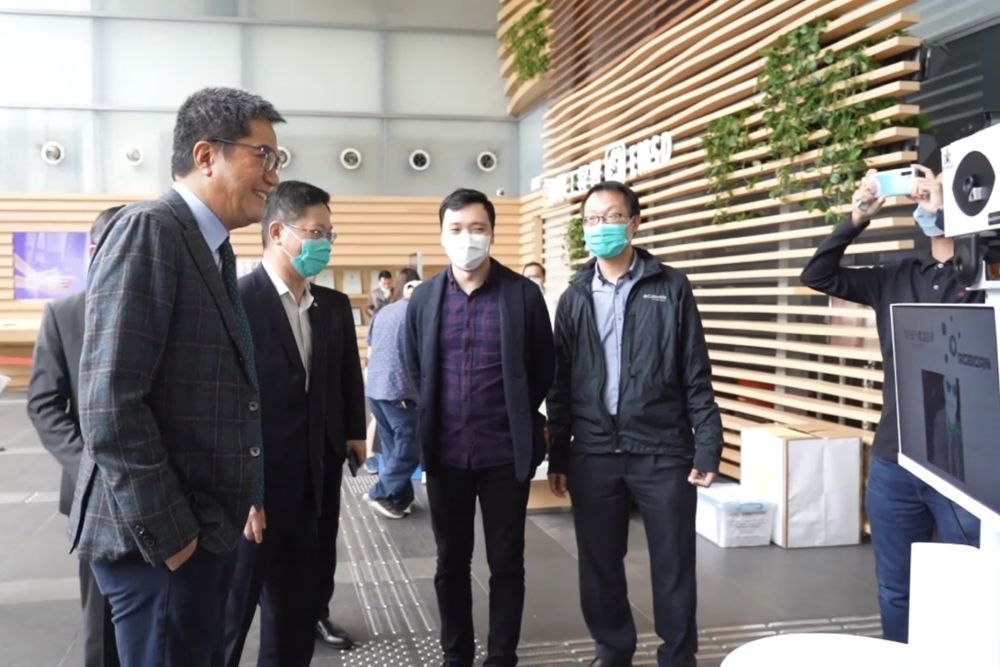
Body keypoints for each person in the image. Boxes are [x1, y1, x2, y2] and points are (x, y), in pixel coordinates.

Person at [71, 86, 284, 667]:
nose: (272, 176)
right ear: (206, 154)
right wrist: (175, 540)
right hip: (159, 547)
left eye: (277, 160)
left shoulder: (209, 248)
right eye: (261, 155)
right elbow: (110, 404)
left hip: (197, 533)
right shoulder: (151, 230)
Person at [800, 164, 981, 642]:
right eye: (927, 190)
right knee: (896, 590)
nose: (932, 199)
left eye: (943, 191)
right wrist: (858, 216)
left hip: (968, 469)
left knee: (977, 588)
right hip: (895, 460)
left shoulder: (987, 281)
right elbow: (817, 274)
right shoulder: (896, 276)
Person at [547, 180, 723, 667]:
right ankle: (613, 647)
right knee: (599, 566)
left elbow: (695, 370)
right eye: (591, 219)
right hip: (595, 451)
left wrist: (708, 444)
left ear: (635, 222)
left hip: (663, 449)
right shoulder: (574, 296)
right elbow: (559, 385)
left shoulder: (670, 286)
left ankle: (677, 655)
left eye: (611, 217)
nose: (600, 227)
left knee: (673, 565)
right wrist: (559, 454)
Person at [405, 188, 554, 666]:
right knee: (451, 562)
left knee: (507, 562)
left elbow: (542, 369)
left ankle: (501, 656)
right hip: (445, 454)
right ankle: (456, 654)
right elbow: (414, 367)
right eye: (456, 229)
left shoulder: (523, 295)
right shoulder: (425, 298)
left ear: (491, 232)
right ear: (442, 235)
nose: (467, 238)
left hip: (504, 454)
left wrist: (516, 417)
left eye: (477, 228)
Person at [223, 181, 366, 664]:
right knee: (232, 610)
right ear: (279, 231)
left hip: (315, 480)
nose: (325, 242)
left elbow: (347, 375)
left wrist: (353, 432)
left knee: (296, 607)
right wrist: (240, 493)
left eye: (330, 232)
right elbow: (222, 404)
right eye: (316, 231)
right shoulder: (236, 302)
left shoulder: (331, 306)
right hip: (255, 486)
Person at [27, 205, 124, 667]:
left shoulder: (169, 310)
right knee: (102, 622)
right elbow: (45, 404)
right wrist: (91, 466)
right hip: (95, 495)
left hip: (170, 493)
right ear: (93, 251)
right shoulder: (64, 314)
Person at [363, 267, 422, 519]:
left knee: (392, 448)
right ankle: (380, 493)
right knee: (410, 449)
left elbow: (370, 349)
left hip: (376, 390)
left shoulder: (384, 311)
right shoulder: (417, 313)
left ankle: (400, 500)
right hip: (401, 391)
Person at [521, 261, 557, 326]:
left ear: (544, 278)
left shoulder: (550, 302)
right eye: (528, 277)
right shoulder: (517, 302)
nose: (531, 280)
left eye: (536, 276)